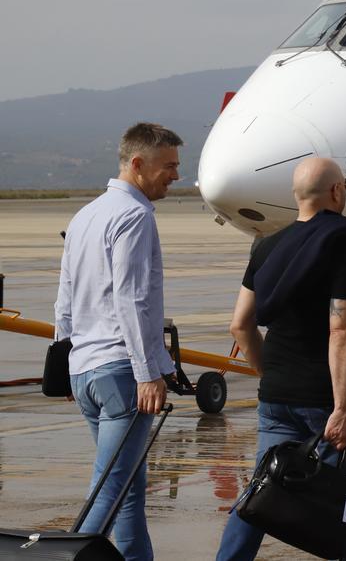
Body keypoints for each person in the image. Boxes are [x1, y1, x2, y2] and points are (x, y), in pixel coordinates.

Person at [216, 157, 346, 561]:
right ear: (336, 191)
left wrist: (273, 374)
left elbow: (240, 325)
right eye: (345, 184)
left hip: (277, 396)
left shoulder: (267, 246)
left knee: (260, 492)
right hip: (325, 399)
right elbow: (342, 330)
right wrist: (343, 408)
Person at [53, 122, 182, 561]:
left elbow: (64, 297)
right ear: (138, 164)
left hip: (87, 369)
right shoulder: (135, 215)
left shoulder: (85, 214)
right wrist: (148, 374)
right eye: (169, 166)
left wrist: (67, 362)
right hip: (122, 372)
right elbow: (132, 299)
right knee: (110, 489)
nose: (176, 176)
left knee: (128, 486)